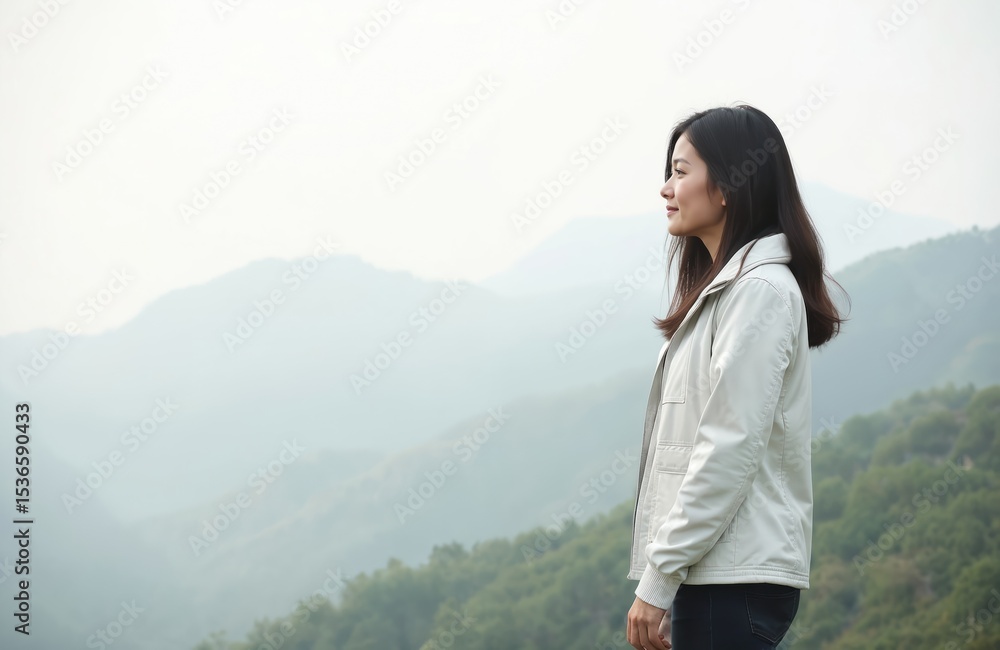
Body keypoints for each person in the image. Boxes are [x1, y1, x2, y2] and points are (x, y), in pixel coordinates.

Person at [624, 104, 848, 649]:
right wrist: (675, 579)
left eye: (681, 171)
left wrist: (658, 580)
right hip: (718, 574)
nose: (665, 188)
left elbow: (727, 448)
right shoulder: (733, 289)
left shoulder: (759, 293)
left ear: (728, 185)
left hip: (736, 579)